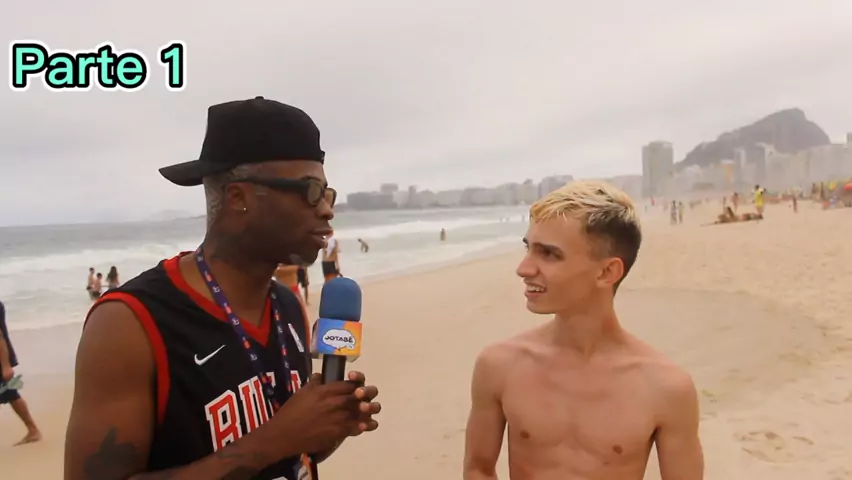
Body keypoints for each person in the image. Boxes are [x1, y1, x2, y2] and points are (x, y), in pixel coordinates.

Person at [64, 97, 381, 480]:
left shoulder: (287, 307)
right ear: (239, 197)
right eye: (310, 191)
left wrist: (325, 425)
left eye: (327, 194)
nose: (327, 209)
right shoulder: (130, 323)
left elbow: (288, 457)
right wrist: (275, 439)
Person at [463, 181, 703, 480]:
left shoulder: (666, 388)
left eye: (549, 254)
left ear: (606, 272)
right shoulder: (500, 365)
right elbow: (478, 469)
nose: (524, 269)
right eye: (528, 248)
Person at [0, 300, 42, 446]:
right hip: (4, 358)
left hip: (2, 359)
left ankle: (33, 430)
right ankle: (33, 430)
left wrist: (5, 365)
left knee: (12, 394)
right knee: (12, 394)